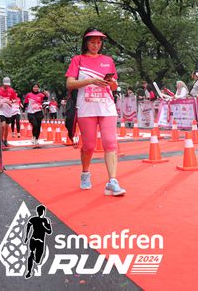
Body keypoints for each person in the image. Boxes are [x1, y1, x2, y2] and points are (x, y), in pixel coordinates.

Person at [66, 28, 125, 196]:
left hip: (107, 107)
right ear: (86, 42)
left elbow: (114, 86)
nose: (96, 45)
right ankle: (85, 173)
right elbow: (70, 84)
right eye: (92, 42)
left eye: (99, 42)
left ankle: (112, 181)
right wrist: (90, 80)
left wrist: (111, 83)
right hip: (86, 108)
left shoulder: (108, 60)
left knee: (110, 143)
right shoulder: (78, 60)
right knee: (89, 146)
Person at [23, 204, 52, 279]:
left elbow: (49, 231)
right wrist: (26, 237)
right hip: (35, 240)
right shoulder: (34, 219)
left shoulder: (45, 220)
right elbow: (28, 226)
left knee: (37, 260)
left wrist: (43, 226)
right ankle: (29, 271)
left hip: (39, 241)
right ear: (42, 212)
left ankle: (33, 258)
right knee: (31, 255)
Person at [0, 77, 18, 147]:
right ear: (3, 83)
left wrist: (11, 101)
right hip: (1, 110)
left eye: (8, 85)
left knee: (6, 127)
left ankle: (5, 140)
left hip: (8, 111)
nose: (7, 86)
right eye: (5, 84)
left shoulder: (11, 91)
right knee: (3, 125)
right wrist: (0, 102)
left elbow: (15, 99)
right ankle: (0, 140)